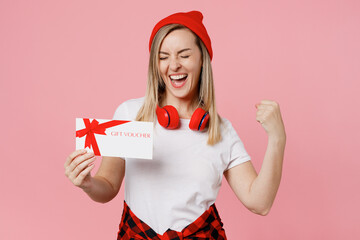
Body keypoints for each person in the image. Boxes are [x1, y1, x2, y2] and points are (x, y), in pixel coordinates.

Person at [64, 10, 286, 240]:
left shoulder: (221, 131)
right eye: (163, 57)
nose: (174, 65)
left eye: (184, 55)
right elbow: (108, 185)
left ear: (202, 59)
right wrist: (88, 183)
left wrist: (278, 139)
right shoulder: (130, 114)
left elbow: (260, 203)